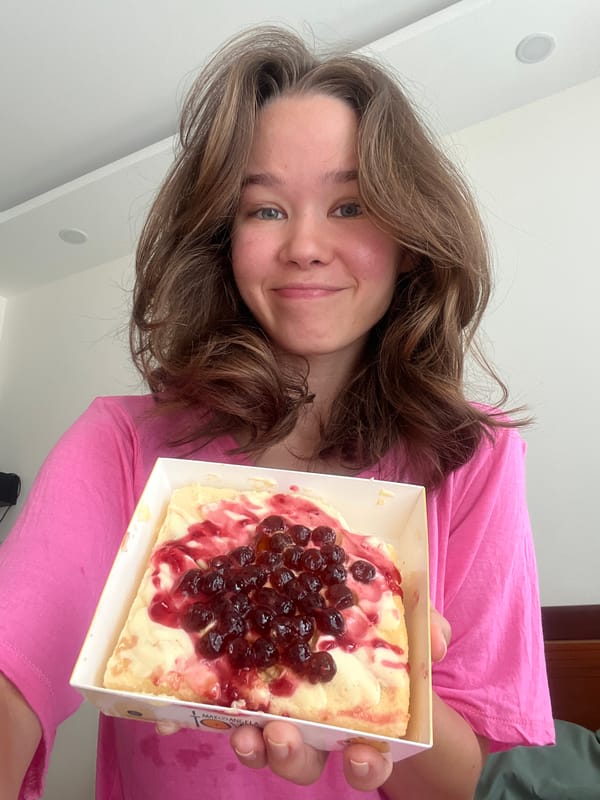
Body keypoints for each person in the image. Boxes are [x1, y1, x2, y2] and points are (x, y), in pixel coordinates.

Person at [0, 24, 554, 800]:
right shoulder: (122, 441)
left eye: (350, 204)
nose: (304, 244)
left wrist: (384, 677)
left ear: (410, 237)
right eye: (264, 210)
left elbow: (460, 784)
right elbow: (10, 674)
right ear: (223, 240)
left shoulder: (475, 457)